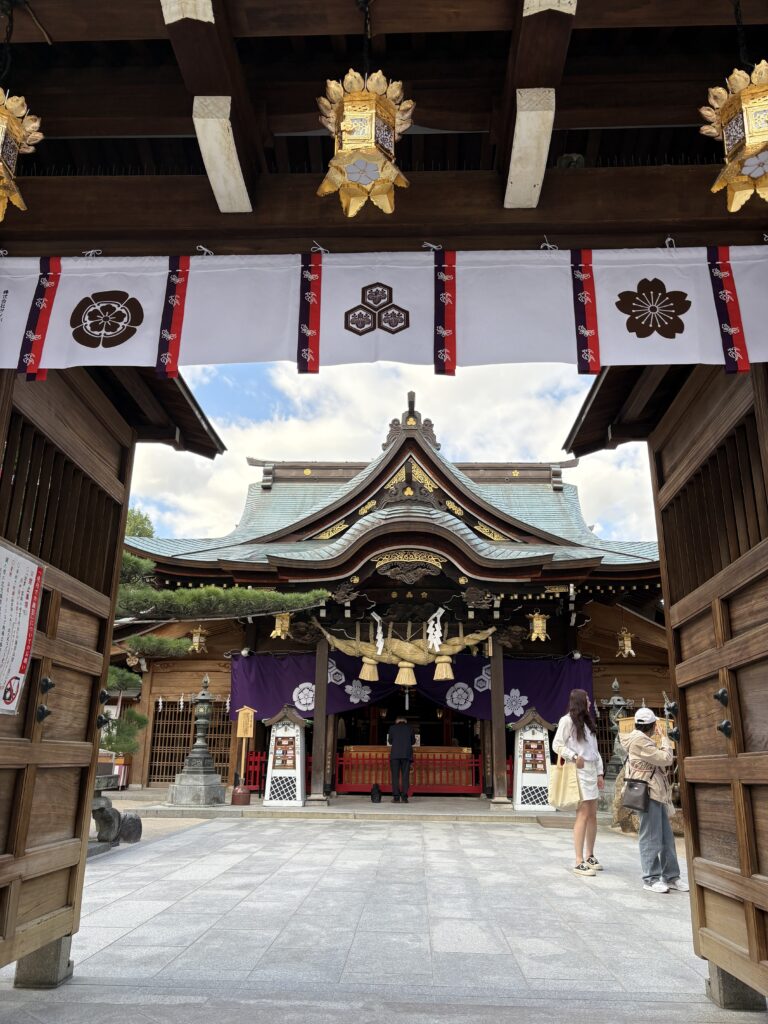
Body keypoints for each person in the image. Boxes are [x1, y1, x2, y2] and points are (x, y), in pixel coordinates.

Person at [621, 707, 689, 894]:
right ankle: (650, 878)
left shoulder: (640, 739)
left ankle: (671, 876)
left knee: (666, 836)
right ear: (652, 726)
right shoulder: (640, 740)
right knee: (650, 836)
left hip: (655, 791)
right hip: (648, 792)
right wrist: (665, 739)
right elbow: (665, 758)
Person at [553, 688, 605, 876]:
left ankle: (590, 854)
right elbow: (557, 744)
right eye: (587, 700)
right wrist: (573, 755)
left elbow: (595, 750)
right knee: (582, 813)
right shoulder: (566, 721)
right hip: (578, 770)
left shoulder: (588, 723)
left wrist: (600, 773)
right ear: (580, 702)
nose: (590, 702)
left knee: (592, 814)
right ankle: (578, 859)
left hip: (591, 770)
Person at [388, 716, 416, 803]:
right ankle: (404, 797)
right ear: (405, 721)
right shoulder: (410, 728)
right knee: (405, 776)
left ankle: (396, 797)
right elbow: (413, 741)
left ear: (397, 721)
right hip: (406, 755)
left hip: (395, 755)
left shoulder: (392, 728)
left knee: (395, 777)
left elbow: (390, 741)